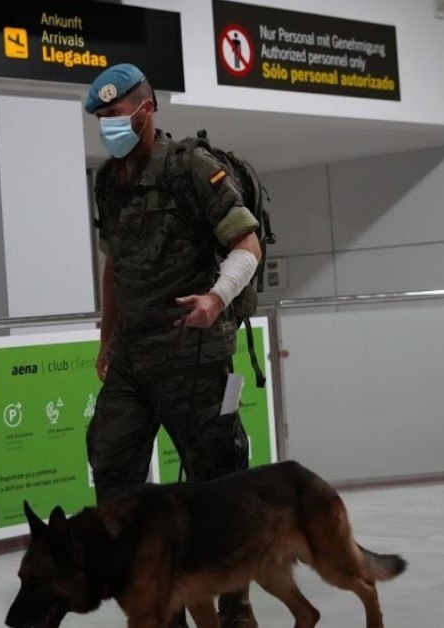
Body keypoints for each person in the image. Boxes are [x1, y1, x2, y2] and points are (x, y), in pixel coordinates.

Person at [84, 63, 262, 628]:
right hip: (132, 359)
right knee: (112, 472)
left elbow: (247, 244)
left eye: (115, 113)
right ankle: (159, 604)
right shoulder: (107, 180)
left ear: (147, 108)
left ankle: (234, 605)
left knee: (216, 485)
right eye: (100, 117)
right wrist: (107, 339)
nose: (107, 125)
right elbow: (114, 266)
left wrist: (216, 298)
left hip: (194, 355)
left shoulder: (191, 167)